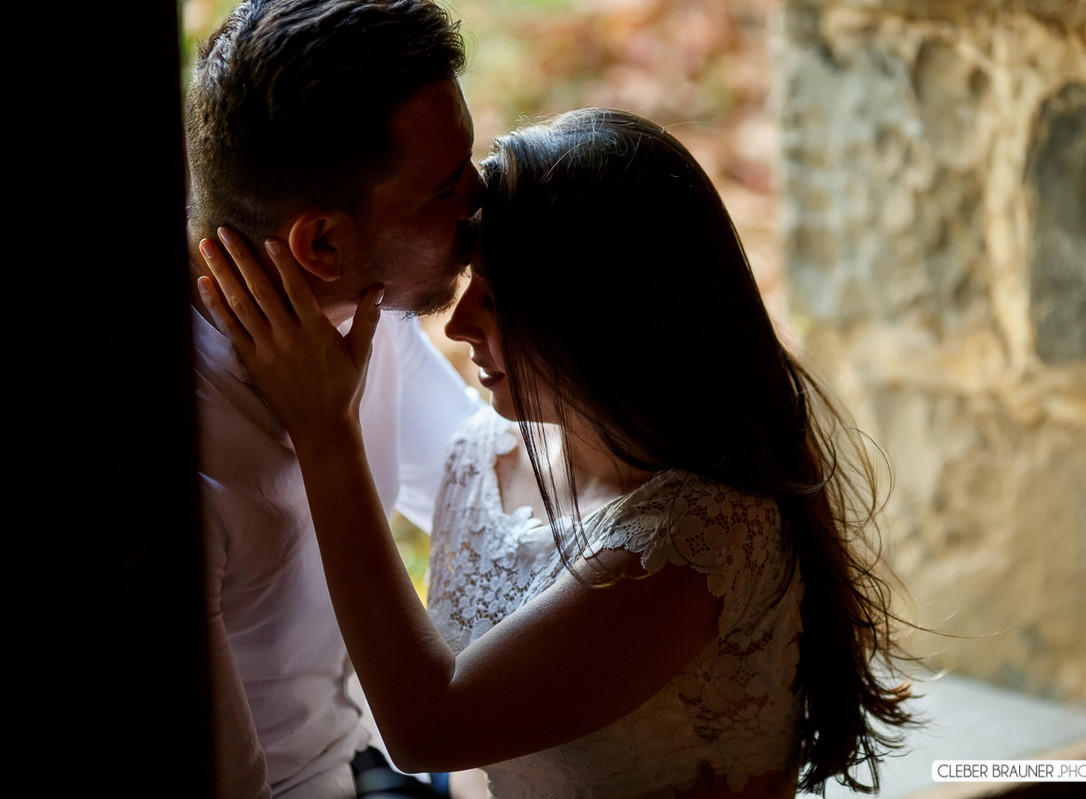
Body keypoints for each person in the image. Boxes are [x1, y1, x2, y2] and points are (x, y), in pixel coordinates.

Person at [197, 108, 915, 797]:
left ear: (605, 319)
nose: (459, 325)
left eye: (499, 297)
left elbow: (429, 725)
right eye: (471, 280)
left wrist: (327, 432)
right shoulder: (486, 455)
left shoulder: (697, 540)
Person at [185, 1, 483, 796]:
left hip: (372, 749)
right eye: (446, 187)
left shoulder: (359, 307)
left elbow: (487, 485)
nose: (480, 201)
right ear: (321, 243)